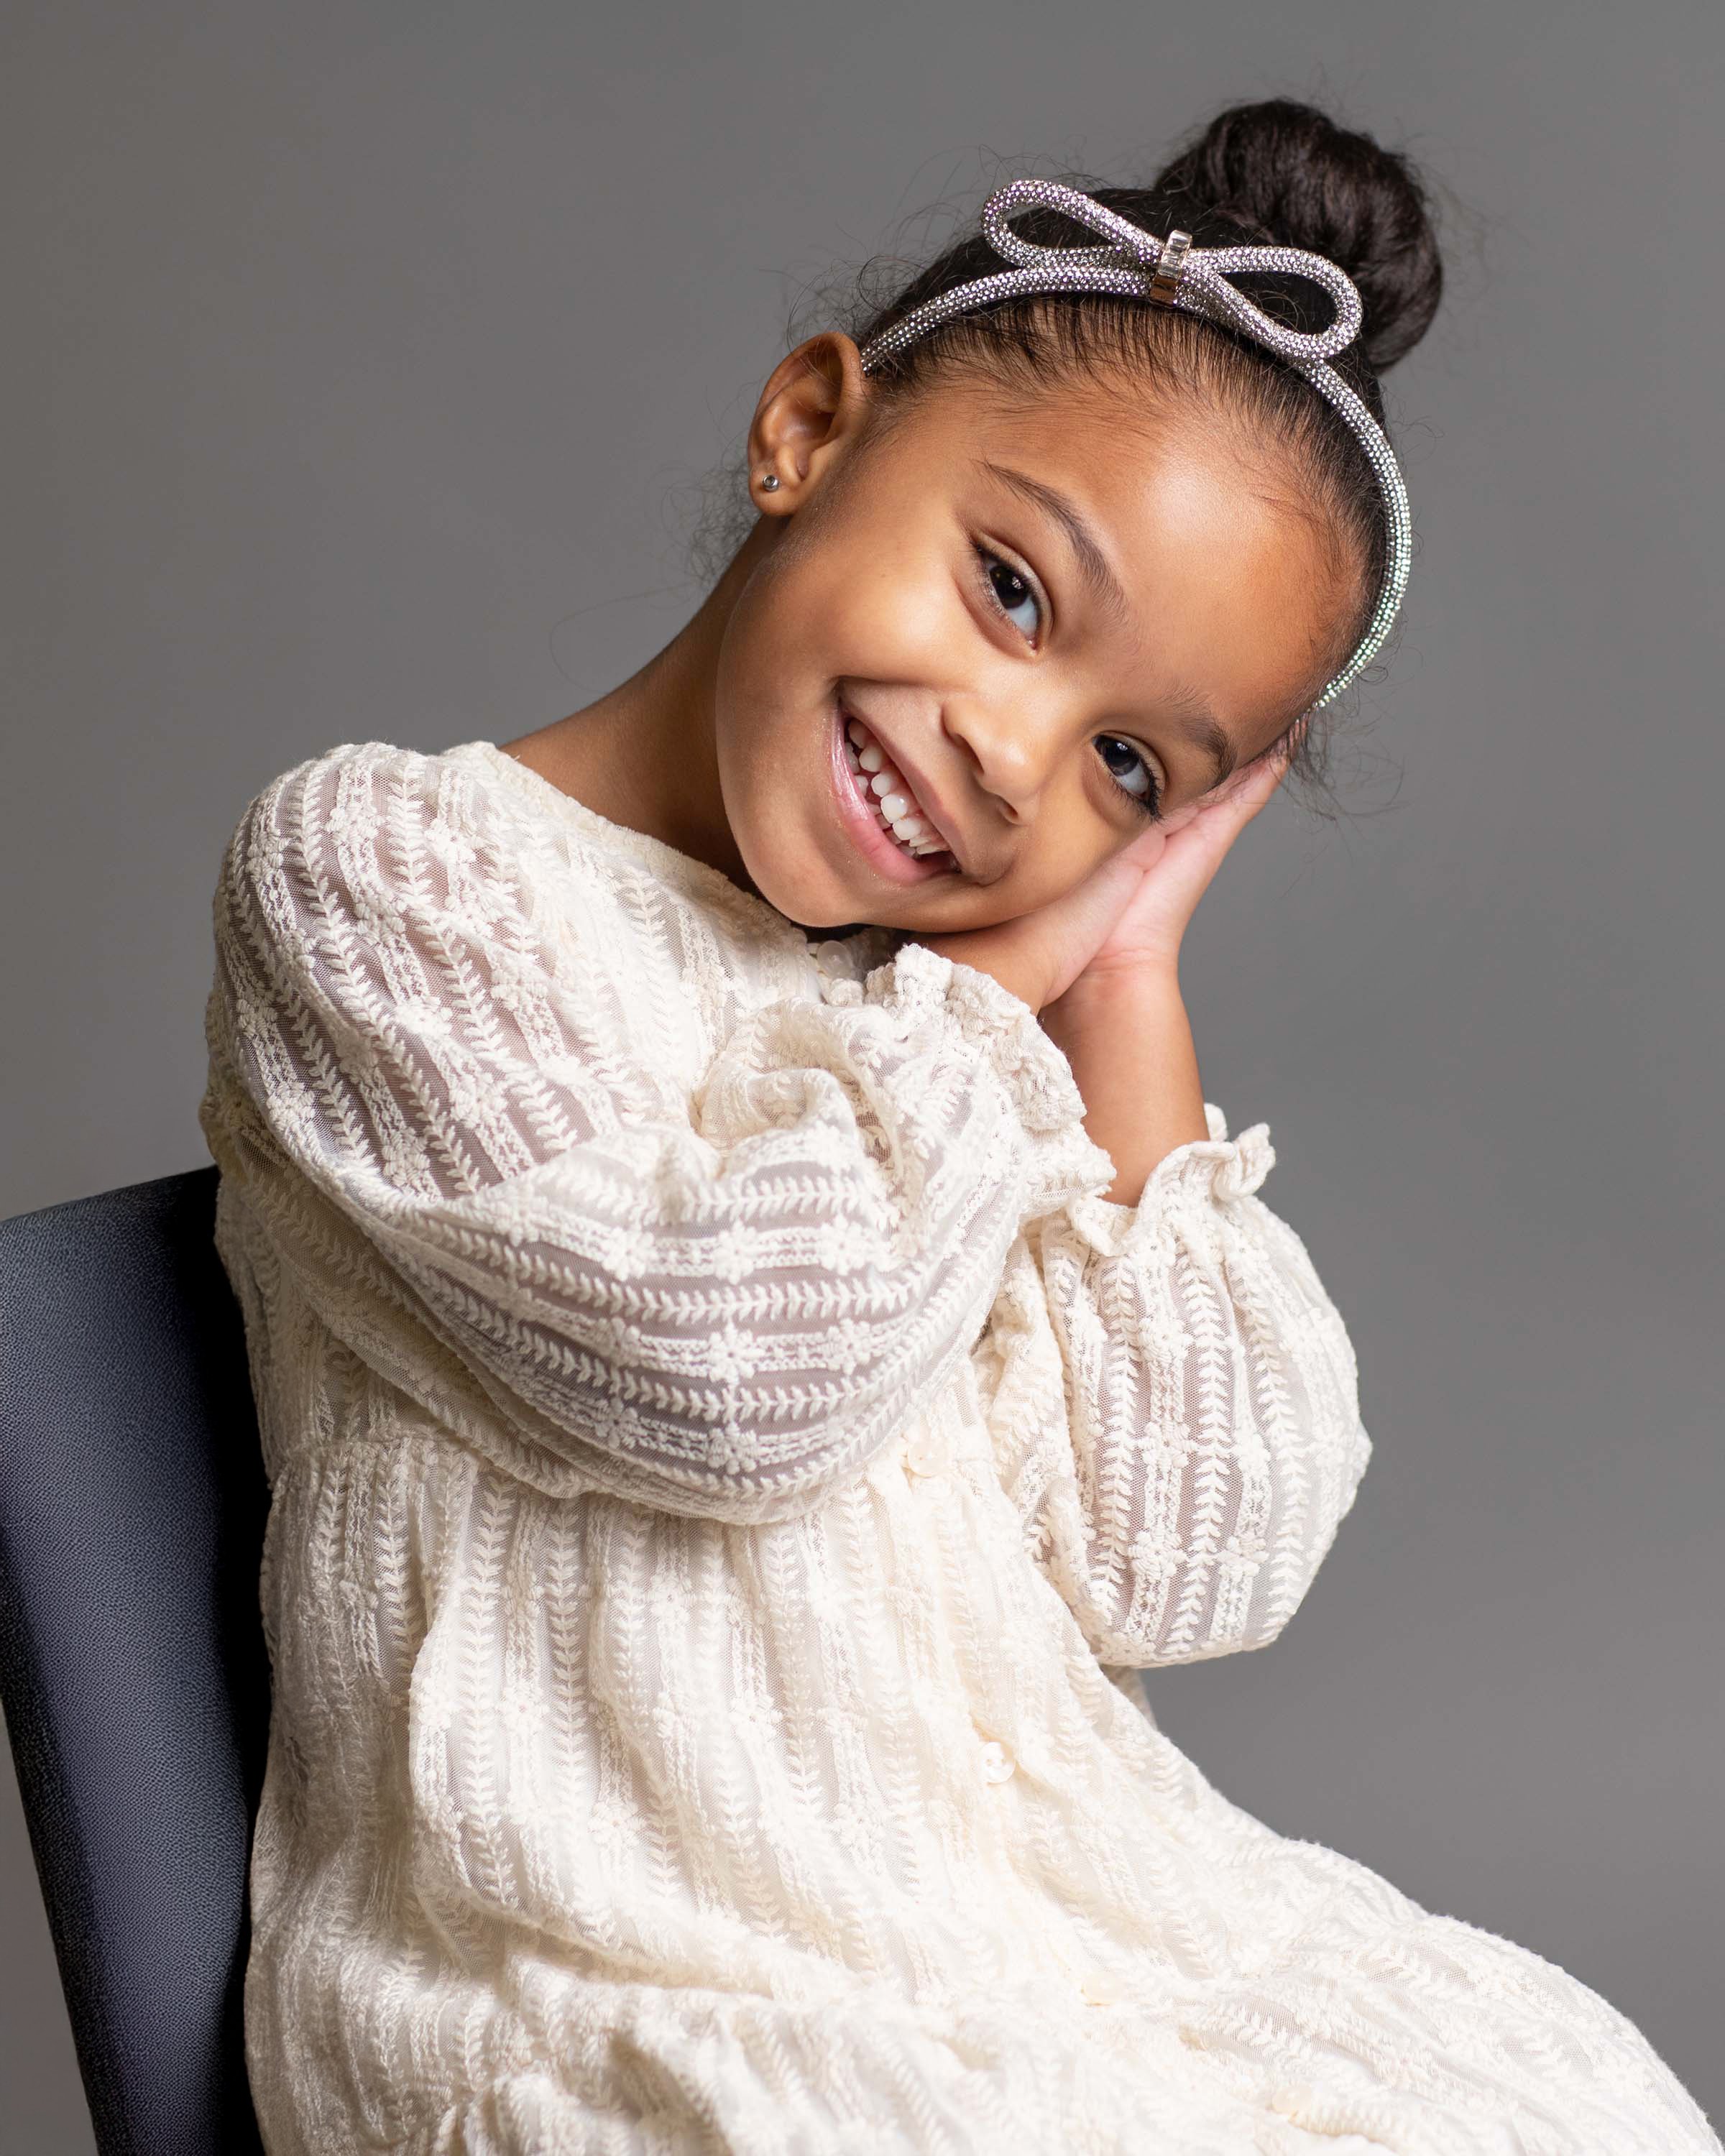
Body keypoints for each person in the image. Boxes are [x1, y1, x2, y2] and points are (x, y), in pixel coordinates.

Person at [198, 97, 1721, 2156]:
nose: (1013, 758)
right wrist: (990, 1014)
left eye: (1127, 765)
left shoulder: (934, 1044)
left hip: (1053, 1959)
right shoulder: (393, 874)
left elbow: (1195, 1559)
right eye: (1012, 588)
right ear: (808, 432)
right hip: (635, 1997)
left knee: (1578, 2102)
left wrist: (1123, 976)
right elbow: (729, 1369)